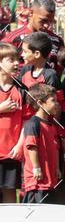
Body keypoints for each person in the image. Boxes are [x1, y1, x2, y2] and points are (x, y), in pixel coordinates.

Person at [21, 84, 62, 204]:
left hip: (49, 180)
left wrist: (57, 168)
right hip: (37, 183)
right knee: (34, 213)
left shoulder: (51, 125)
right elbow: (31, 147)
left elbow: (55, 148)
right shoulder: (33, 124)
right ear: (40, 103)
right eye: (53, 100)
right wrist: (36, 168)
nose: (57, 104)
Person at [4, 0, 65, 70]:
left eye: (50, 21)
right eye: (43, 20)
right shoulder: (13, 39)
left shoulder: (57, 41)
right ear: (31, 12)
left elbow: (59, 70)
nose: (47, 25)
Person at [0, 42, 24, 203]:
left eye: (18, 59)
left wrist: (20, 144)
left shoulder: (22, 89)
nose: (17, 63)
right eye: (11, 59)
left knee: (10, 194)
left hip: (11, 152)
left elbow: (27, 121)